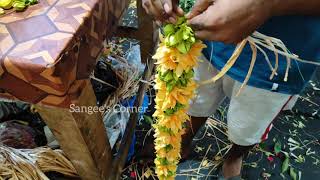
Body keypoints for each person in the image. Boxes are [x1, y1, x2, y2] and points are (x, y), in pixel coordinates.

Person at [142, 0, 320, 179]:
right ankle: (184, 138)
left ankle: (235, 157)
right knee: (195, 99)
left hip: (280, 59)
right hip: (205, 34)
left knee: (248, 127)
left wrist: (268, 5)